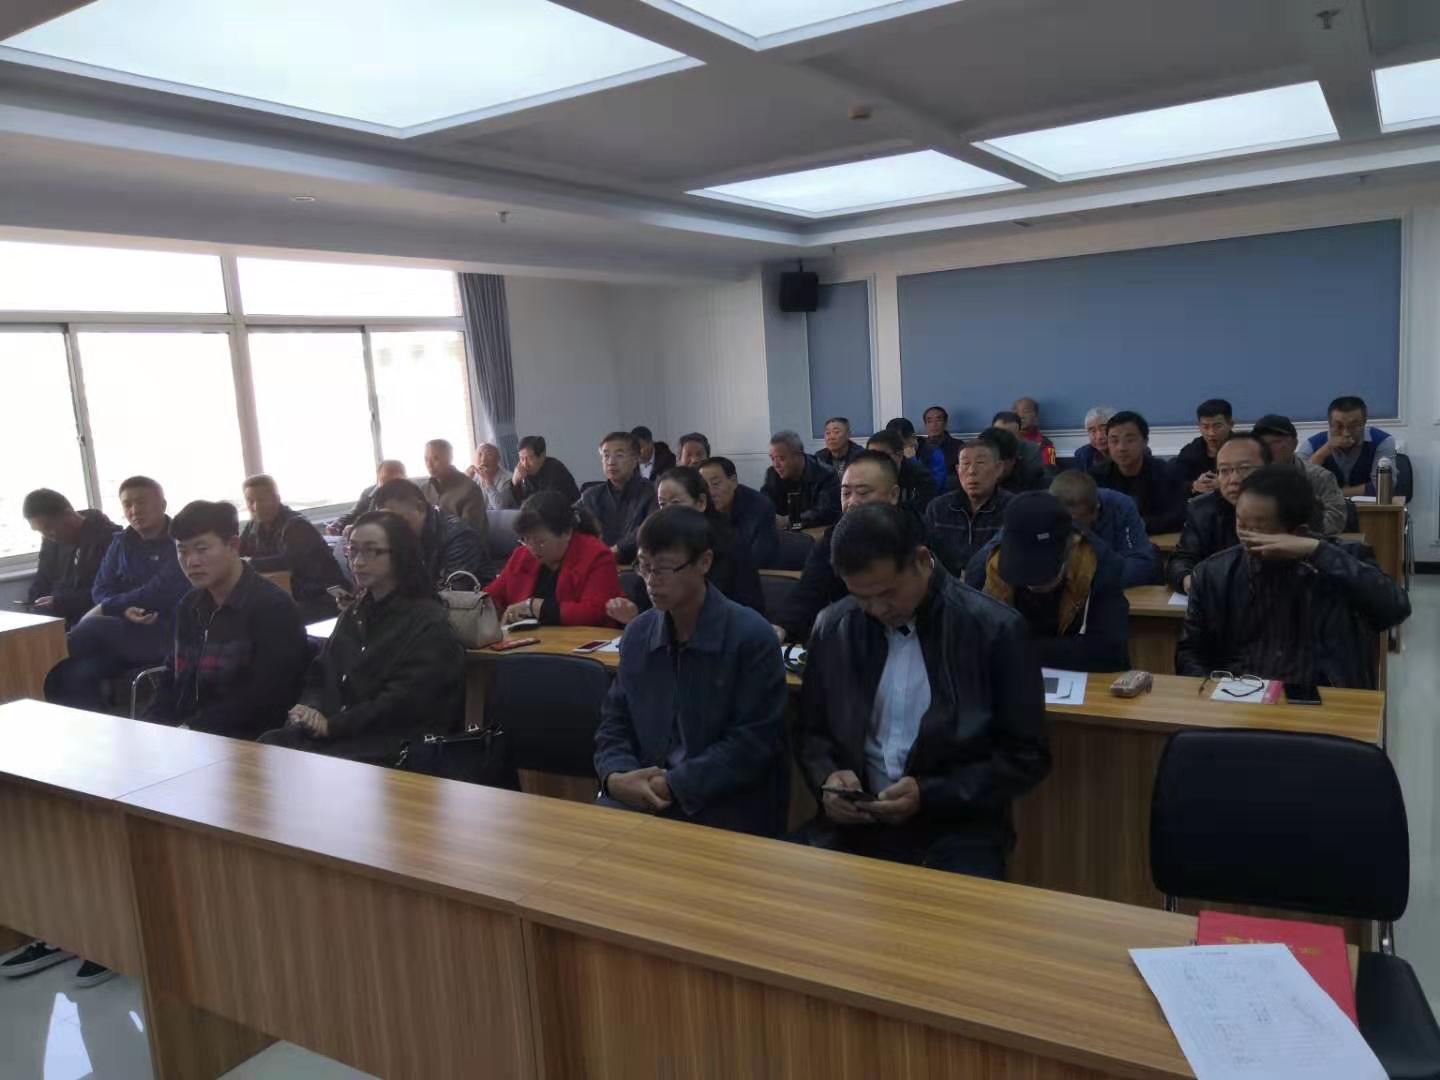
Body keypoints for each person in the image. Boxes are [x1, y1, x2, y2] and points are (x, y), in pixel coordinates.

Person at [796, 504, 1049, 878]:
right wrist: (828, 779)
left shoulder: (993, 630)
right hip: (856, 822)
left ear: (921, 560)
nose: (876, 609)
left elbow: (1027, 757)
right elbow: (810, 732)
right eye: (861, 596)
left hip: (958, 827)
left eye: (887, 593)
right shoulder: (834, 626)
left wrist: (930, 793)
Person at [595, 507, 789, 837]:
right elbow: (614, 722)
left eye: (664, 569)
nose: (651, 581)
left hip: (724, 801)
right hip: (645, 790)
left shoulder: (751, 636)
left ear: (704, 562)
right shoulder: (639, 633)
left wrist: (674, 784)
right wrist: (616, 775)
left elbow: (752, 743)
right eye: (644, 567)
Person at [1176, 466, 1409, 690]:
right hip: (1239, 697)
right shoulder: (1213, 573)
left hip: (1322, 699)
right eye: (1241, 523)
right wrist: (1214, 692)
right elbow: (1190, 654)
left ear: (1298, 530)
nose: (1246, 536)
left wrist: (1318, 551)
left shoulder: (1343, 560)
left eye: (1258, 528)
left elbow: (1394, 609)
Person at [260, 510, 465, 763]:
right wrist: (310, 709)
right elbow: (321, 674)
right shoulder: (355, 612)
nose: (357, 562)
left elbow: (401, 702)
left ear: (399, 555)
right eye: (352, 550)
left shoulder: (428, 622)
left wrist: (333, 725)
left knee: (294, 759)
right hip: (344, 730)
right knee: (271, 745)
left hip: (394, 741)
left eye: (371, 551)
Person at [146, 500, 308, 739]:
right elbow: (173, 677)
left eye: (202, 549)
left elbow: (265, 698)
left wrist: (190, 731)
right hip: (189, 736)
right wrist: (149, 728)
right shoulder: (190, 606)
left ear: (233, 545)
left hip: (247, 741)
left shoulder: (273, 608)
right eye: (182, 551)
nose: (192, 561)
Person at [43, 476, 189, 713]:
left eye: (141, 502)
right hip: (122, 633)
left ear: (162, 505)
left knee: (92, 625)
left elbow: (158, 592)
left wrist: (107, 607)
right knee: (68, 674)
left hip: (166, 634)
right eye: (127, 504)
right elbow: (100, 588)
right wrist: (123, 608)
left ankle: (42, 654)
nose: (134, 510)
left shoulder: (181, 543)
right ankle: (96, 731)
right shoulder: (121, 542)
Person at [964, 492, 1129, 673]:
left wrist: (1017, 648)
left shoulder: (1099, 565)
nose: (1032, 584)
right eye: (1023, 573)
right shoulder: (983, 570)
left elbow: (1110, 652)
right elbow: (971, 645)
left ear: (1069, 548)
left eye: (1043, 574)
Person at [608, 467, 764, 625]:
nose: (668, 512)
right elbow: (644, 605)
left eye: (676, 503)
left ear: (701, 503)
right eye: (662, 504)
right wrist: (633, 612)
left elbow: (750, 609)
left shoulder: (730, 546)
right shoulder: (655, 545)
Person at [774, 451, 900, 645]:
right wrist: (782, 627)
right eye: (846, 493)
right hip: (851, 639)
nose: (852, 502)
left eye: (863, 493)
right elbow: (809, 591)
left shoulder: (915, 537)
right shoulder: (833, 538)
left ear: (893, 495)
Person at [485, 491, 622, 627]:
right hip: (526, 639)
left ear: (567, 532)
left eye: (540, 541)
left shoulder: (596, 555)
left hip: (576, 638)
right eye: (525, 540)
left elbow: (596, 613)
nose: (532, 548)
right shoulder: (522, 556)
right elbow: (492, 596)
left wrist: (535, 607)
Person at [1169, 433, 1271, 594]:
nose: (1233, 479)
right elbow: (1183, 559)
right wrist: (1188, 580)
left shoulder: (1291, 505)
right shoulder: (1202, 509)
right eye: (1224, 471)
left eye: (1244, 468)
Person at [239, 474, 347, 622]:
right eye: (250, 501)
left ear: (276, 499)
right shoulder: (254, 525)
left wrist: (248, 563)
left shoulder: (296, 525)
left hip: (323, 597)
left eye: (262, 500)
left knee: (271, 620)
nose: (256, 507)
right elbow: (238, 550)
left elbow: (288, 560)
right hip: (290, 593)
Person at [21, 488, 119, 627]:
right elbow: (42, 579)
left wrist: (60, 601)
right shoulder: (51, 540)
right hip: (55, 619)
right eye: (40, 531)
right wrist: (32, 605)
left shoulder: (110, 538)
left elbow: (110, 591)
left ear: (68, 514)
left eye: (48, 528)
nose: (47, 535)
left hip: (90, 620)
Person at [1048, 471, 1160, 588]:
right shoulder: (1042, 513)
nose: (1071, 527)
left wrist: (1091, 579)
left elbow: (1143, 566)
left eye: (1076, 521)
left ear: (1096, 510)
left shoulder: (1120, 506)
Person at [372, 479, 492, 585]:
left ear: (419, 508)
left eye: (396, 520)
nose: (391, 529)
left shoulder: (459, 536)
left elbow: (454, 592)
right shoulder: (401, 538)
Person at [925, 433, 1012, 576]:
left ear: (998, 469)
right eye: (965, 464)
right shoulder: (937, 508)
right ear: (957, 470)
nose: (972, 471)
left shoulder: (1013, 509)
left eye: (980, 463)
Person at [1251, 414, 1346, 535]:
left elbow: (1336, 520)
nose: (1268, 449)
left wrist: (1297, 531)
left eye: (1276, 442)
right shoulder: (1251, 478)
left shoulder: (1320, 477)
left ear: (1294, 443)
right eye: (1262, 444)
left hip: (1310, 542)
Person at [1091, 411, 1185, 533]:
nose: (1121, 448)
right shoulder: (1097, 476)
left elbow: (1177, 517)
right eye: (1114, 441)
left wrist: (1132, 525)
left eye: (1130, 440)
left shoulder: (1166, 473)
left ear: (1145, 442)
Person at [1298, 395, 1398, 497]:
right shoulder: (1312, 444)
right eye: (1339, 426)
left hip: (1370, 506)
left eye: (1353, 426)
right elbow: (1297, 485)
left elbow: (1383, 487)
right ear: (1329, 424)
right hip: (1326, 506)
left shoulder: (1382, 441)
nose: (1346, 433)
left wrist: (1334, 493)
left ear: (1364, 422)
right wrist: (1322, 453)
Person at [699, 456, 780, 570]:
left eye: (716, 483)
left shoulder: (760, 506)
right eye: (704, 486)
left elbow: (759, 558)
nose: (710, 492)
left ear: (733, 482)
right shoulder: (700, 505)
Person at [582, 431, 656, 553]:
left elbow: (652, 528)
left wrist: (618, 549)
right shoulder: (590, 496)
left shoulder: (652, 492)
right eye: (606, 456)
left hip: (639, 560)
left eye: (619, 455)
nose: (611, 462)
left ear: (635, 459)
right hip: (598, 559)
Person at [761, 430, 840, 530]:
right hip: (785, 534)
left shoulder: (826, 474)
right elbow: (763, 505)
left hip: (818, 532)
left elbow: (825, 512)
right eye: (772, 459)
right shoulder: (772, 474)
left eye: (781, 458)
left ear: (798, 455)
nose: (776, 465)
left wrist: (788, 521)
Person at [421, 438, 489, 550]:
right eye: (426, 459)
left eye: (436, 458)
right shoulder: (424, 489)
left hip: (465, 550)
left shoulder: (469, 489)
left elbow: (470, 532)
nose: (429, 464)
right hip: (433, 550)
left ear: (449, 458)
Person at [865, 429, 937, 518]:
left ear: (899, 455)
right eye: (871, 456)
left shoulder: (921, 477)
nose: (876, 462)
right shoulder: (866, 475)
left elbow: (920, 515)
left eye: (882, 456)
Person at [328, 459, 406, 535]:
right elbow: (354, 513)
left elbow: (390, 523)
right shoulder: (369, 492)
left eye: (395, 480)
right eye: (385, 479)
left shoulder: (406, 496)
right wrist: (338, 523)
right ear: (378, 477)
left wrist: (359, 528)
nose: (389, 484)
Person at [1175, 399, 1234, 497]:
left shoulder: (1245, 449)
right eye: (1205, 427)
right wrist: (1194, 486)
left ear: (1230, 424)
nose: (1211, 433)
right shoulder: (1190, 452)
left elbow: (1254, 482)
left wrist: (1225, 484)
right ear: (1199, 426)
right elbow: (1174, 484)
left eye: (1217, 426)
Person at [512, 435, 581, 504]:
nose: (525, 464)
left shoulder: (555, 470)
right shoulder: (524, 473)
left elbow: (545, 504)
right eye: (521, 458)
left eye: (529, 458)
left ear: (542, 456)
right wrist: (514, 483)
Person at [989, 413, 1049, 488]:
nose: (1003, 438)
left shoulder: (1033, 448)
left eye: (1010, 434)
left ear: (1019, 434)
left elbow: (1042, 477)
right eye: (998, 433)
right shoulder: (982, 448)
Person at [919, 405, 963, 493]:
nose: (934, 425)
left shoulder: (958, 446)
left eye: (938, 420)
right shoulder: (919, 446)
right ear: (925, 425)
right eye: (929, 421)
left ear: (945, 423)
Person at [467, 442, 516, 511]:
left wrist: (488, 482)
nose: (483, 459)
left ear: (498, 458)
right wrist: (464, 480)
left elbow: (500, 507)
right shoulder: (473, 476)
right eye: (480, 454)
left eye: (489, 454)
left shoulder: (509, 478)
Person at [1012, 397, 1058, 468]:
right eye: (1016, 412)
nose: (1020, 416)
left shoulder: (1047, 444)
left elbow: (1051, 470)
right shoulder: (1003, 439)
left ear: (1036, 416)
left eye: (1026, 412)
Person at [1071, 406, 1116, 473]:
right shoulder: (1082, 454)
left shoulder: (1126, 452)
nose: (1099, 437)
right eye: (1092, 431)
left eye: (1104, 429)